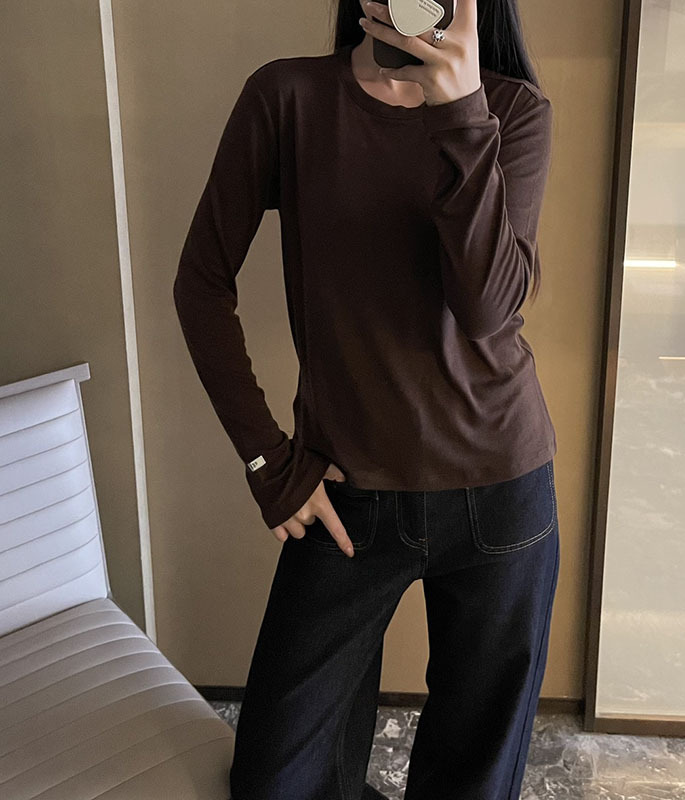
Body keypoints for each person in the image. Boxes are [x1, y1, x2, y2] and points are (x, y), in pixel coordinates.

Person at [173, 0, 560, 797]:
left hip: (500, 493)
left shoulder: (512, 110)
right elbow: (201, 283)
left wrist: (461, 112)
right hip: (345, 496)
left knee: (473, 776)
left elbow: (488, 309)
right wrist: (267, 460)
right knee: (278, 778)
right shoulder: (288, 97)